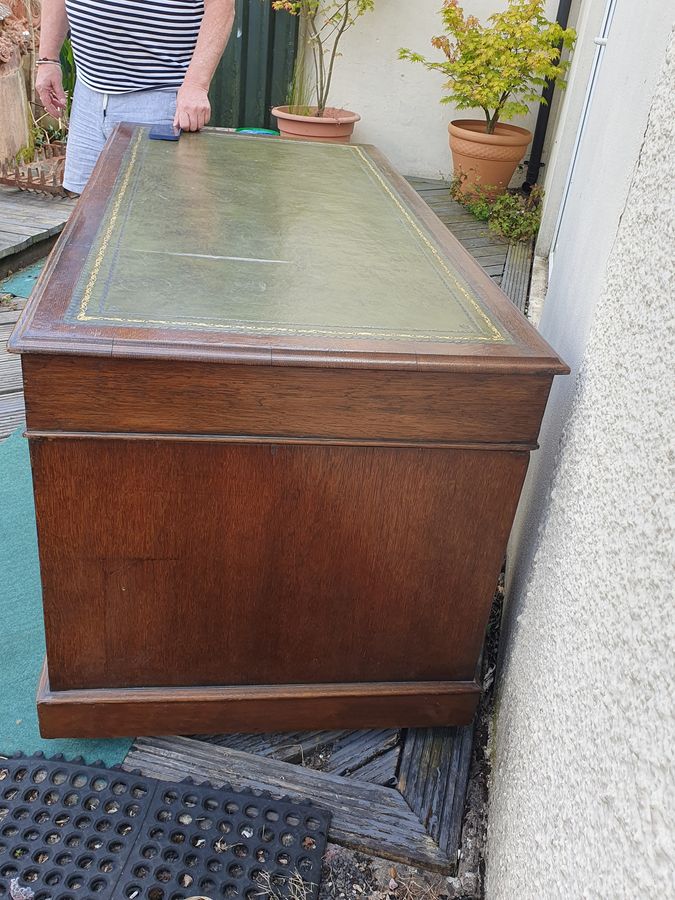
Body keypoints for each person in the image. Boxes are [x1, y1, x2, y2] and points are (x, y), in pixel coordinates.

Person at [36, 0, 235, 194]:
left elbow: (221, 4)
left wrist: (196, 85)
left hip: (159, 97)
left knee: (150, 213)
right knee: (87, 211)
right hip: (88, 93)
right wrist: (47, 59)